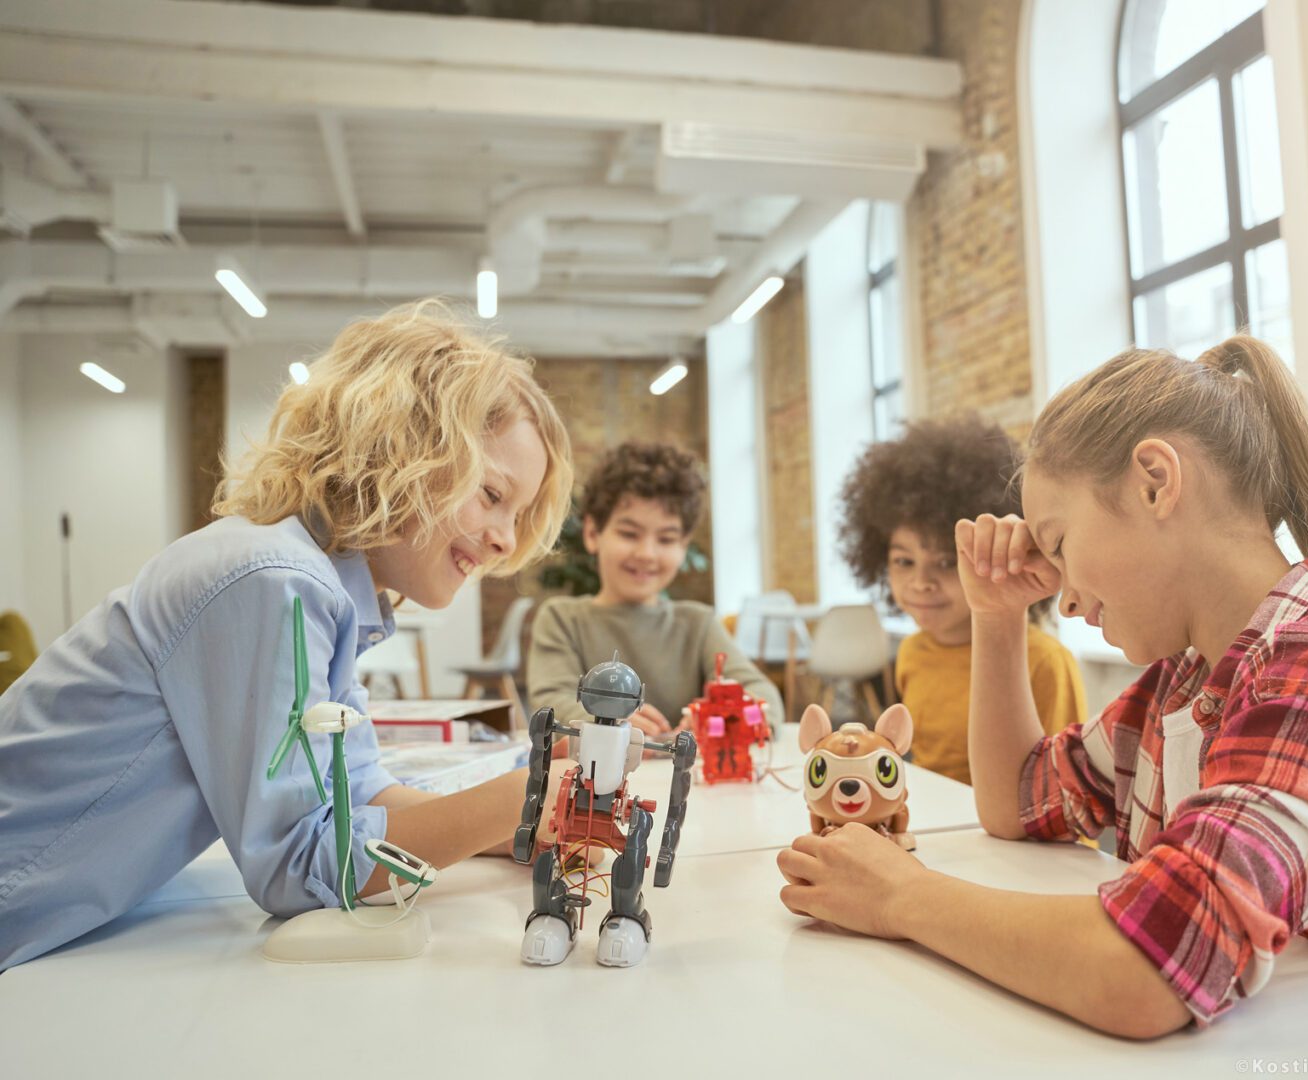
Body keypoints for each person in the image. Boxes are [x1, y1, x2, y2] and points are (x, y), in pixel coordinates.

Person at [778, 336, 1308, 1037]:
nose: (1064, 597)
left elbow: (1149, 971)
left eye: (1061, 545)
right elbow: (1019, 799)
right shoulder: (1189, 677)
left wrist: (900, 897)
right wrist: (998, 618)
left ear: (1155, 482)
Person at [0, 299, 573, 970]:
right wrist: (520, 797)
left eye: (520, 513)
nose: (506, 539)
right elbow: (300, 868)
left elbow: (357, 791)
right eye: (492, 495)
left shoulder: (314, 579)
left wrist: (517, 822)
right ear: (406, 449)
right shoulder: (272, 581)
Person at [837, 416, 1085, 783]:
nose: (921, 583)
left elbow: (1070, 791)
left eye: (947, 562)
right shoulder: (912, 653)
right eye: (904, 561)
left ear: (992, 556)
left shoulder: (1045, 662)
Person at [528, 440, 782, 740]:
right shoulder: (562, 619)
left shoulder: (697, 623)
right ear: (593, 533)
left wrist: (725, 720)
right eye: (629, 533)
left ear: (683, 546)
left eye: (666, 539)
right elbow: (550, 708)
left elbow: (763, 698)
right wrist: (606, 725)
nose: (647, 553)